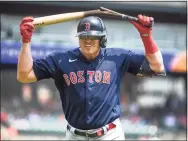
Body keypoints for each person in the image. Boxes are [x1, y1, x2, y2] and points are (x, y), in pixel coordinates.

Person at [17, 15, 165, 140]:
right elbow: (24, 75)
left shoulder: (117, 57)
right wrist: (26, 42)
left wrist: (146, 36)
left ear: (102, 39)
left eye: (93, 36)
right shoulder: (61, 59)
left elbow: (157, 67)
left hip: (110, 135)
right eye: (84, 36)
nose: (87, 40)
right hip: (75, 136)